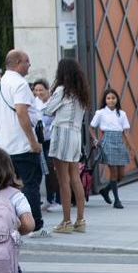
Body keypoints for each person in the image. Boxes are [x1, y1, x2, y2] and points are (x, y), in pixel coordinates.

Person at [0, 50, 48, 236]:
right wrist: (33, 142)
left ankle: (10, 223)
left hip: (3, 146)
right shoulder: (20, 84)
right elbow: (22, 113)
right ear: (17, 63)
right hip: (22, 145)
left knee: (8, 187)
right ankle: (34, 225)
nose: (29, 66)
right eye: (27, 62)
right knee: (30, 185)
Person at [42, 58, 91, 234]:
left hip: (62, 134)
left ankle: (66, 221)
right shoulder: (80, 93)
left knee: (63, 180)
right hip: (76, 135)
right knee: (75, 177)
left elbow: (47, 111)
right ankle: (80, 219)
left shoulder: (62, 91)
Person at [90, 87, 130, 210]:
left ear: (117, 99)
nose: (111, 100)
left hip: (119, 141)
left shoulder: (122, 113)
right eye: (108, 98)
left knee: (121, 175)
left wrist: (127, 144)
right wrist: (95, 140)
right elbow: (91, 127)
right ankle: (117, 201)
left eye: (113, 98)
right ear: (105, 100)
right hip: (107, 141)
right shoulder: (100, 113)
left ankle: (105, 190)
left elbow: (126, 130)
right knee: (113, 172)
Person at [30, 78, 58, 213]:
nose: (38, 92)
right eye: (36, 90)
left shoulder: (53, 103)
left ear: (48, 90)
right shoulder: (33, 104)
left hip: (51, 139)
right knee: (44, 170)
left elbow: (52, 120)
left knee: (52, 169)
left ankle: (56, 200)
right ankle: (49, 199)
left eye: (41, 89)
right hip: (39, 141)